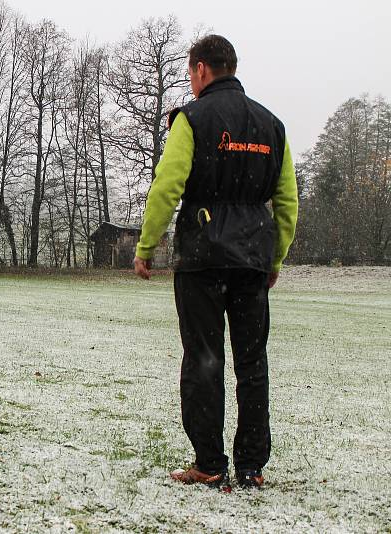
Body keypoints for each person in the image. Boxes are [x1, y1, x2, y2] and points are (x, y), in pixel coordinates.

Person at [133, 34, 298, 489]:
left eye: (191, 72)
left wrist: (147, 246)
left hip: (203, 258)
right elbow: (287, 202)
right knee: (252, 363)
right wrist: (275, 257)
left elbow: (167, 187)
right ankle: (251, 466)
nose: (191, 80)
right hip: (251, 260)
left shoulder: (191, 118)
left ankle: (209, 464)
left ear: (202, 69)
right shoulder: (272, 125)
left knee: (204, 359)